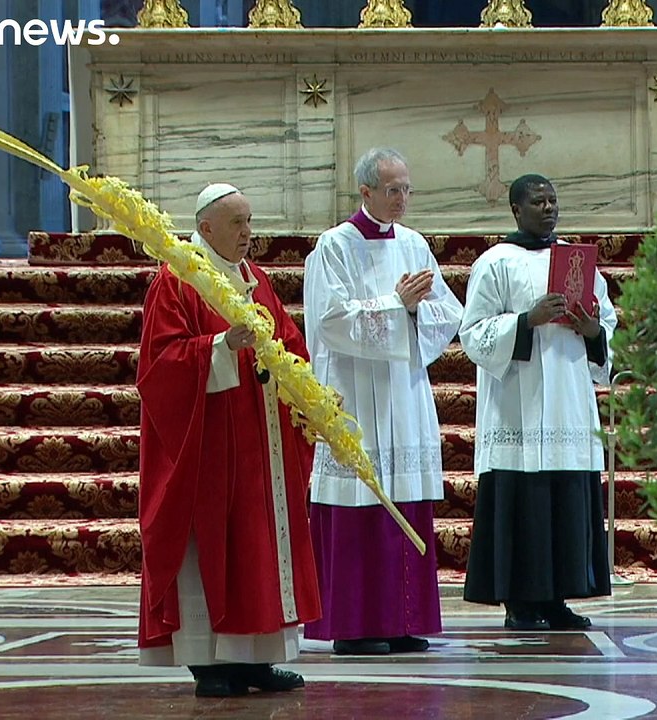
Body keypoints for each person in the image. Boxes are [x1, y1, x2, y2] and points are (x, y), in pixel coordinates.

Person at [137, 183, 320, 697]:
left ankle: (256, 658)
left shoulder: (255, 278)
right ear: (206, 228)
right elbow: (160, 365)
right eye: (237, 224)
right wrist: (219, 345)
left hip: (260, 445)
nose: (248, 234)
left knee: (256, 546)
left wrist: (308, 394)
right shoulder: (177, 282)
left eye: (250, 222)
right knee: (213, 546)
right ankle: (208, 660)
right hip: (209, 448)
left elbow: (288, 342)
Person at [303, 147, 463, 655]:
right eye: (392, 191)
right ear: (366, 191)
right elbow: (330, 321)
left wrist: (415, 313)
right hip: (354, 394)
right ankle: (353, 627)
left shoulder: (415, 245)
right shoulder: (334, 246)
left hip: (404, 392)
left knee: (404, 500)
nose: (401, 200)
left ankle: (402, 620)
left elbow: (447, 312)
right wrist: (397, 305)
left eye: (407, 190)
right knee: (359, 504)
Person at [460, 174, 615, 631]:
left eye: (552, 201)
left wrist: (592, 331)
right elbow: (472, 333)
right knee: (522, 500)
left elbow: (606, 321)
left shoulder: (579, 262)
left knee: (565, 498)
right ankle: (520, 603)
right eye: (537, 202)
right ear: (516, 210)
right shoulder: (494, 262)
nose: (548, 209)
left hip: (567, 397)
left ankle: (558, 600)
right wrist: (526, 321)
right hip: (518, 400)